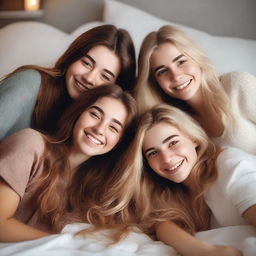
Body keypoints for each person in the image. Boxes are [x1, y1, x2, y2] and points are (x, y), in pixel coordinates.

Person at [0, 85, 137, 242]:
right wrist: (63, 247)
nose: (99, 129)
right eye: (95, 114)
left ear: (119, 143)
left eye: (113, 127)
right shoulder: (30, 143)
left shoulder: (93, 193)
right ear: (79, 113)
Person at [119, 104, 256, 256]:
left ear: (193, 139)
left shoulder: (231, 165)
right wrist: (206, 251)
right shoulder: (173, 194)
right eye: (153, 152)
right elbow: (163, 226)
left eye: (173, 143)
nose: (166, 159)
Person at [134, 25, 256, 154]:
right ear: (155, 82)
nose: (175, 76)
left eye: (181, 62)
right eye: (162, 71)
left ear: (196, 58)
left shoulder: (237, 84)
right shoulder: (175, 125)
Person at [0, 24, 136, 140]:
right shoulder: (30, 82)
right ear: (72, 57)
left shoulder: (93, 130)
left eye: (105, 76)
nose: (89, 78)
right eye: (86, 63)